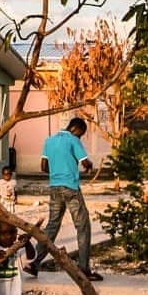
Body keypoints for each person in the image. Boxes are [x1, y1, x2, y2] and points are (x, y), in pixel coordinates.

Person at [28, 117, 100, 281]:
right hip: (71, 188)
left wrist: (58, 173)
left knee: (52, 225)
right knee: (83, 227)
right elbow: (86, 163)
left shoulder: (49, 140)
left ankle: (34, 264)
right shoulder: (73, 140)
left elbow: (43, 167)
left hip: (54, 187)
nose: (80, 137)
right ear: (78, 129)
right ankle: (84, 269)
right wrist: (88, 167)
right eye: (81, 134)